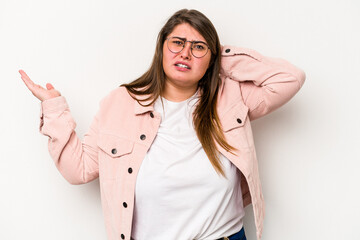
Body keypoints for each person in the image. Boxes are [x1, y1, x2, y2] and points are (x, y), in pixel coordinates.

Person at [20, 8, 305, 240]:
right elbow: (78, 170)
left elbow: (290, 78)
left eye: (198, 47)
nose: (185, 53)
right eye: (178, 43)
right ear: (162, 47)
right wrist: (54, 108)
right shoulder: (120, 103)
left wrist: (219, 56)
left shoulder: (230, 99)